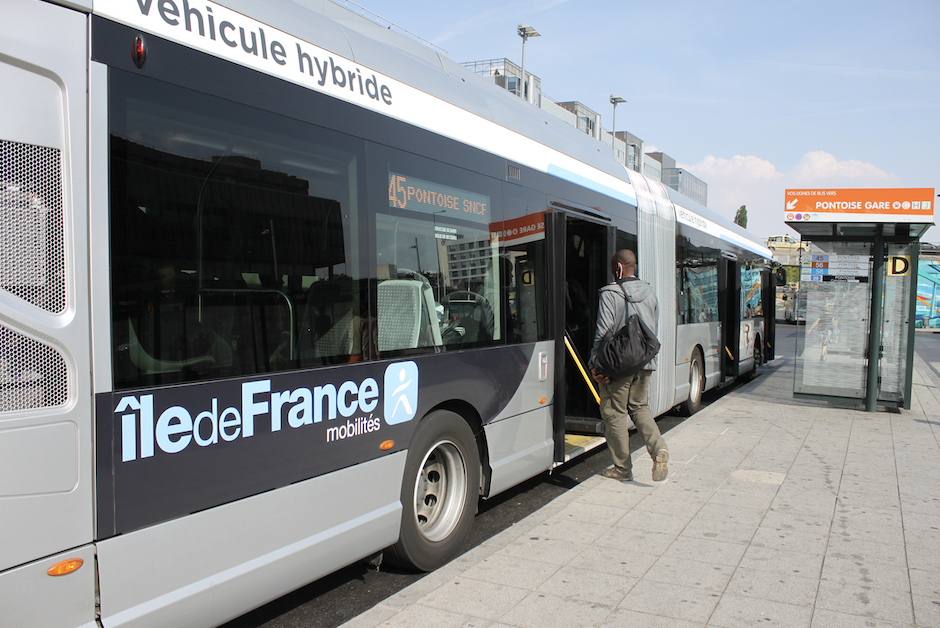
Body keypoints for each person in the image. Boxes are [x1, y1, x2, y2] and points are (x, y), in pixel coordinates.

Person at [589, 250, 669, 482]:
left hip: (618, 366)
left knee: (614, 413)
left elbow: (602, 332)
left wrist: (596, 365)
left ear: (618, 267)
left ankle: (622, 469)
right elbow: (652, 329)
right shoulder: (650, 292)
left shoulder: (610, 294)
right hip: (645, 363)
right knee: (640, 407)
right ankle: (659, 449)